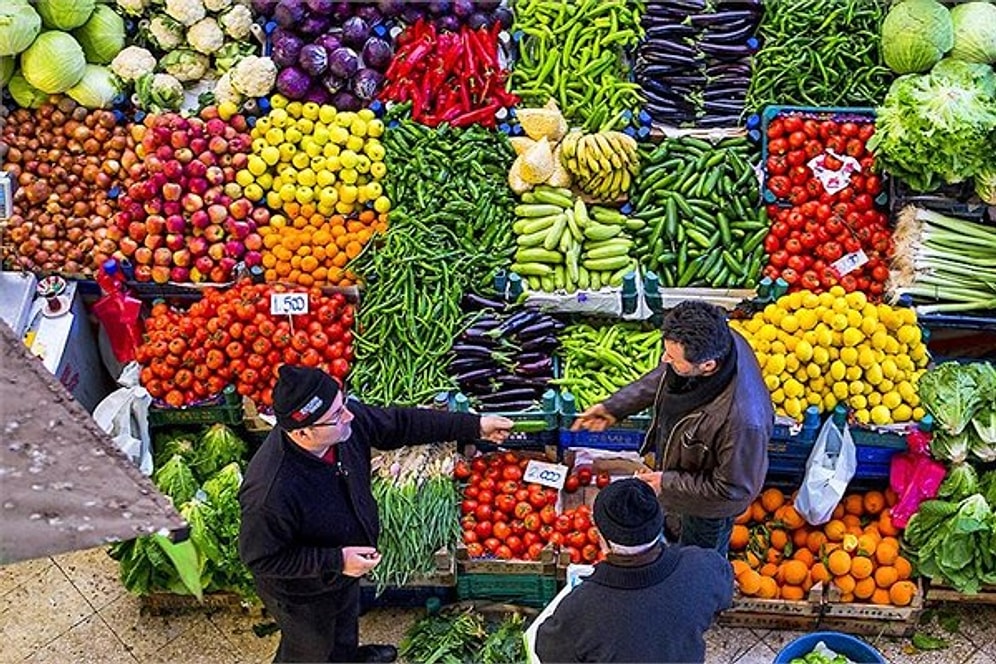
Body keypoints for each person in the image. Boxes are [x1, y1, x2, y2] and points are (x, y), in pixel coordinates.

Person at [238, 365, 513, 663]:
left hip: (343, 571)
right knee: (311, 647)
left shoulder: (341, 427)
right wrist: (337, 560)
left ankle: (349, 657)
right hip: (302, 592)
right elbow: (260, 558)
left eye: (343, 404)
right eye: (337, 415)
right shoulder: (270, 492)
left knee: (344, 625)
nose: (350, 416)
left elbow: (400, 423)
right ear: (303, 431)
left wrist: (474, 425)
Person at [572, 300, 773, 553]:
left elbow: (733, 490)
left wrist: (666, 482)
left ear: (708, 366)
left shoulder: (743, 422)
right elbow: (667, 375)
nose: (665, 359)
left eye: (673, 358)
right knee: (677, 525)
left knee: (699, 556)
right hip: (686, 470)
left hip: (709, 509)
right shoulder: (718, 340)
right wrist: (616, 407)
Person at [534, 478, 733, 663]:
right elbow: (723, 599)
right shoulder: (705, 566)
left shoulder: (579, 610)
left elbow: (549, 652)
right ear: (658, 525)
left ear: (601, 538)